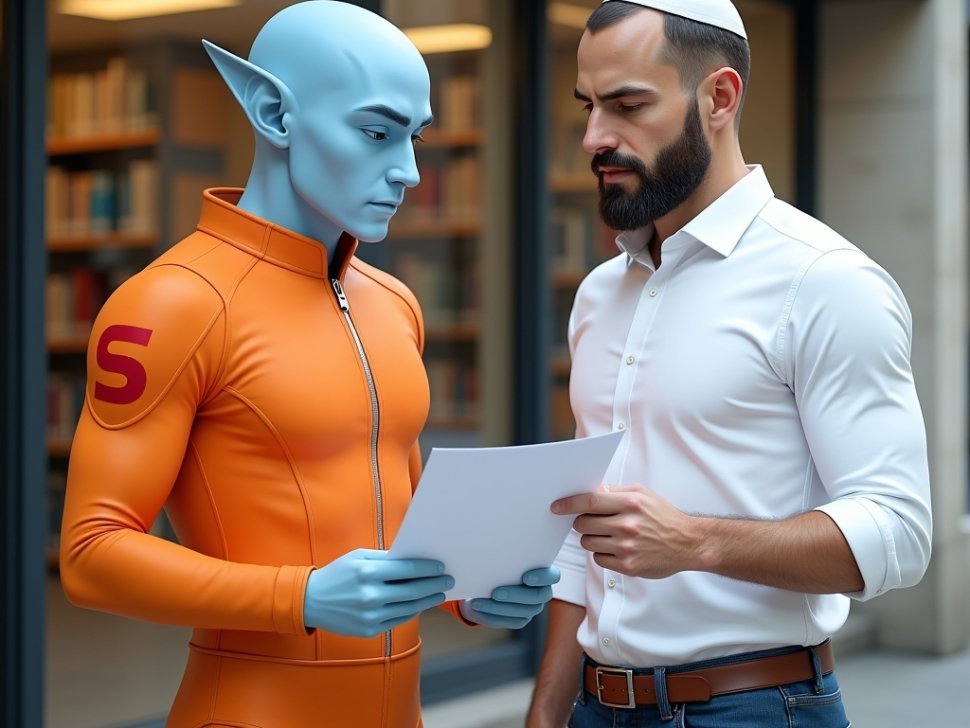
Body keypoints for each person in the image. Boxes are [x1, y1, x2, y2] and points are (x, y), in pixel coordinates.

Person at [58, 3, 557, 726]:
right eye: (376, 133)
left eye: (414, 138)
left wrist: (470, 593)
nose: (411, 172)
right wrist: (300, 598)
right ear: (274, 113)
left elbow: (404, 530)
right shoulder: (171, 303)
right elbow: (90, 553)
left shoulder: (394, 303)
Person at [526, 1, 932, 726]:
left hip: (757, 708)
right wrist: (547, 711)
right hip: (595, 704)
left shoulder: (824, 280)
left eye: (626, 105)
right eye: (588, 106)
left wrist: (696, 542)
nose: (594, 137)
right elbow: (584, 544)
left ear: (718, 97)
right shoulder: (597, 295)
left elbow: (898, 531)